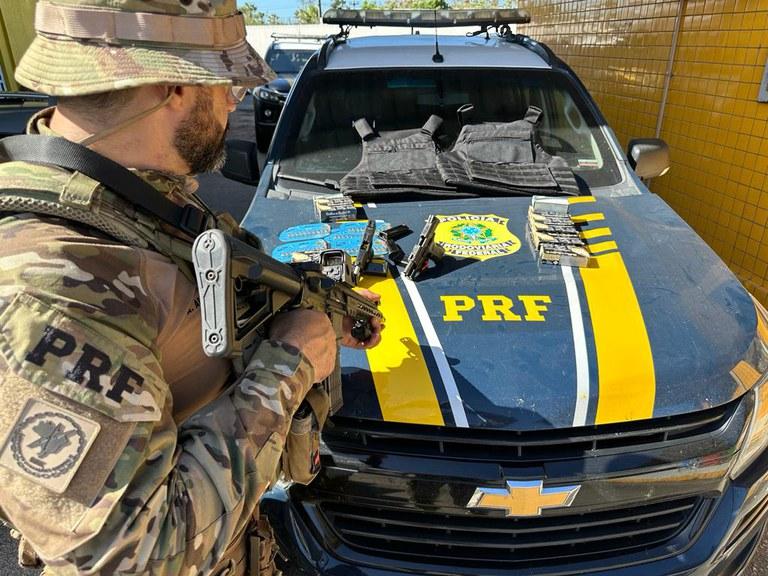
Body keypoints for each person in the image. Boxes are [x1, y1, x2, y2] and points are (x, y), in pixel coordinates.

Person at [0, 1, 381, 574]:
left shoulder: (131, 203)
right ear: (173, 85)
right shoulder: (47, 285)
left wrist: (310, 313)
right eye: (229, 84)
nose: (235, 102)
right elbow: (135, 556)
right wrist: (291, 361)